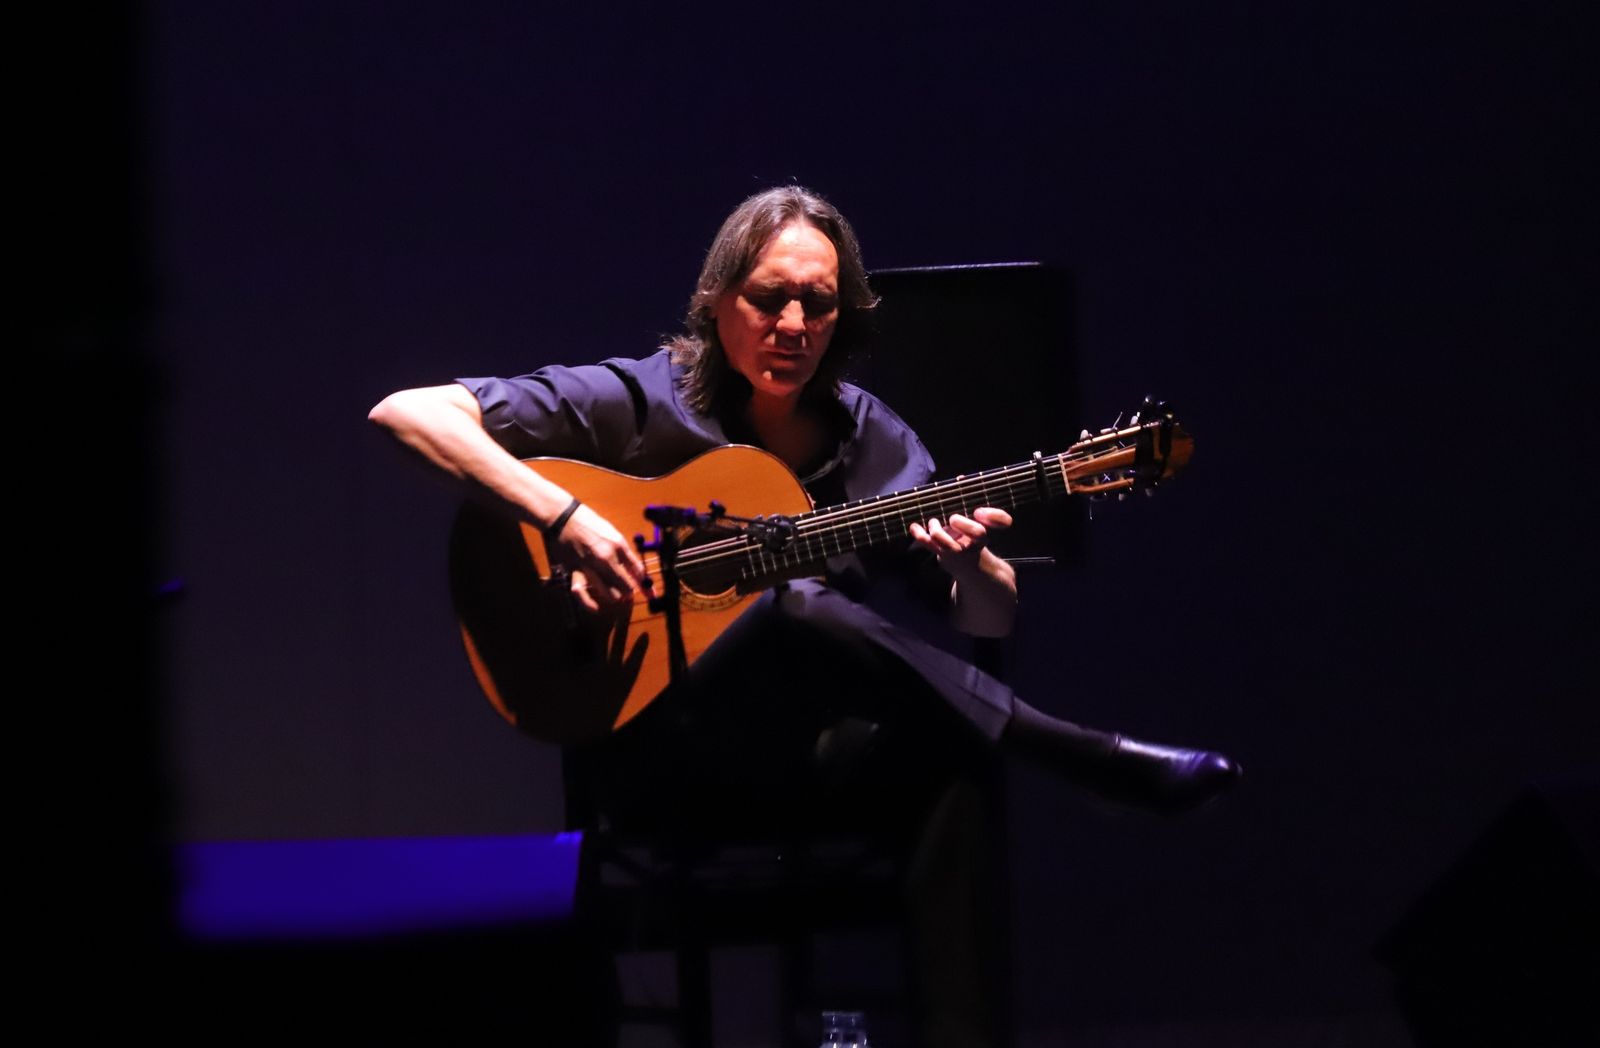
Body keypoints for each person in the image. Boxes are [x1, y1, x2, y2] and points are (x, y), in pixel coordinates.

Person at [370, 185, 1240, 1043]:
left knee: (951, 755)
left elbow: (990, 620)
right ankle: (1077, 754)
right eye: (768, 298)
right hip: (656, 749)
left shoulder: (875, 441)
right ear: (717, 303)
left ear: (843, 316)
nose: (792, 325)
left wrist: (971, 567)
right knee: (789, 605)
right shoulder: (636, 402)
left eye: (817, 305)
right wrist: (563, 516)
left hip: (807, 757)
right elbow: (407, 412)